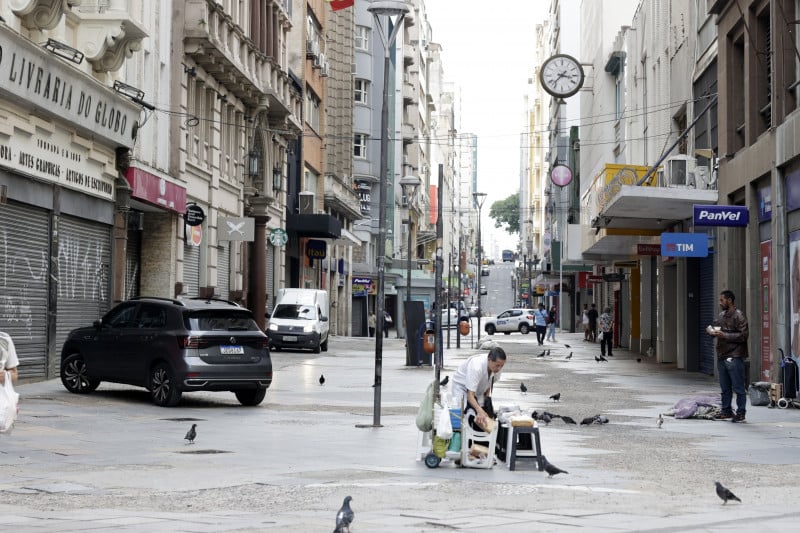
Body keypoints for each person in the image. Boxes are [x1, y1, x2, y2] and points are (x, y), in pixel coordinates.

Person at [707, 290, 749, 423]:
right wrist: (712, 332)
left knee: (738, 387)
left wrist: (725, 335)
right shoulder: (721, 315)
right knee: (725, 387)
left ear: (730, 300)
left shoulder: (739, 315)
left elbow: (743, 336)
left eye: (722, 300)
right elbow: (717, 328)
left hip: (735, 355)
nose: (720, 303)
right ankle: (726, 411)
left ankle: (741, 412)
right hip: (722, 355)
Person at [450, 347, 507, 430]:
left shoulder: (497, 368)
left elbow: (488, 384)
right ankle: (464, 439)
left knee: (483, 415)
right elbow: (470, 395)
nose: (499, 368)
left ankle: (480, 440)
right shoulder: (476, 366)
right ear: (489, 360)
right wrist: (480, 411)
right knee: (466, 415)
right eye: (497, 365)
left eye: (502, 366)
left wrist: (485, 406)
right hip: (461, 388)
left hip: (477, 389)